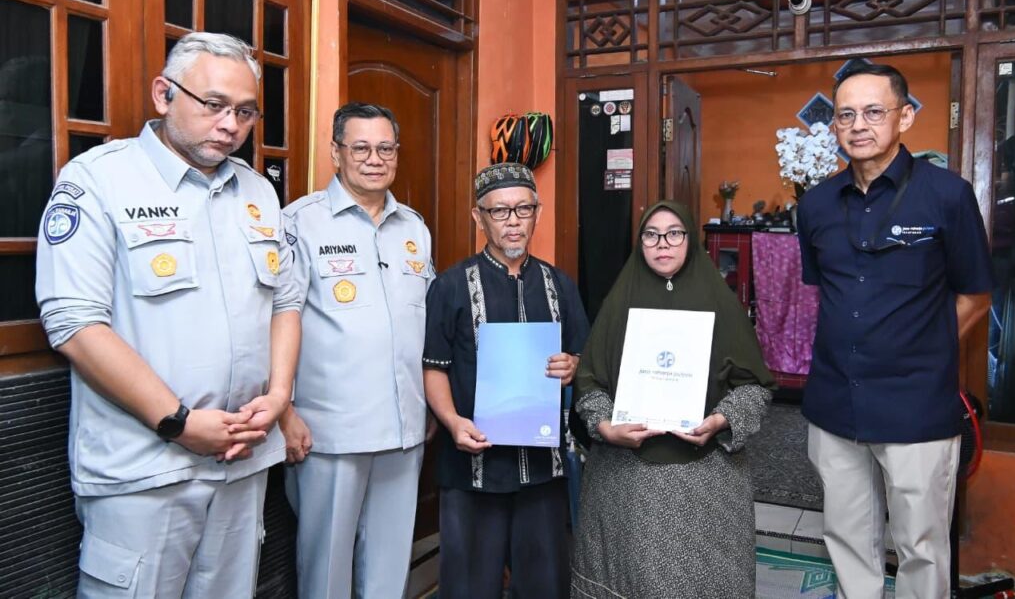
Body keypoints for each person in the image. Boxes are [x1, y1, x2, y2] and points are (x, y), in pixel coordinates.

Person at [35, 31, 302, 597]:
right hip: (145, 470)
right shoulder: (98, 179)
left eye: (245, 112)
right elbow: (75, 324)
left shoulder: (258, 192)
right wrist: (179, 423)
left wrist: (279, 397)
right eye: (214, 105)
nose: (230, 125)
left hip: (242, 459)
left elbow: (284, 302)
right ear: (164, 94)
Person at [797, 63, 994, 598]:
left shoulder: (948, 195)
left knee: (921, 546)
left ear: (904, 117)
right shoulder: (814, 205)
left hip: (917, 403)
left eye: (873, 112)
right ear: (834, 126)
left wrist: (923, 350)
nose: (858, 125)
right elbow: (825, 292)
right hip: (835, 401)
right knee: (846, 535)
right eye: (845, 115)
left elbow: (976, 295)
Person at [570, 199, 776, 598]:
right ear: (640, 243)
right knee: (632, 577)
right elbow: (589, 382)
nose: (662, 243)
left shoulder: (720, 303)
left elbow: (755, 387)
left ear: (690, 240)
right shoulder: (619, 302)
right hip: (626, 478)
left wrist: (720, 420)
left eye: (674, 234)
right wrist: (606, 427)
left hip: (704, 476)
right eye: (651, 234)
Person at [280, 102, 432, 599]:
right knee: (325, 570)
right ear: (336, 153)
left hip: (404, 428)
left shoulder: (414, 228)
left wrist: (431, 404)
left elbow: (423, 323)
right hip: (329, 432)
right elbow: (275, 322)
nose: (374, 159)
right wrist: (284, 412)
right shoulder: (299, 223)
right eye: (361, 147)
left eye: (385, 148)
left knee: (389, 567)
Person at [423, 162, 589, 599]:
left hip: (543, 470)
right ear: (478, 217)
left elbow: (582, 357)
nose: (513, 221)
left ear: (537, 213)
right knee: (469, 587)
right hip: (472, 467)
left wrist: (572, 366)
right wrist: (451, 421)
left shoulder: (560, 285)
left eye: (523, 209)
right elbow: (434, 366)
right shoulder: (451, 286)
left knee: (545, 586)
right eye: (499, 211)